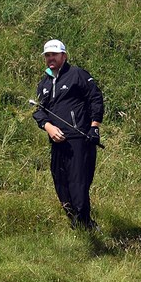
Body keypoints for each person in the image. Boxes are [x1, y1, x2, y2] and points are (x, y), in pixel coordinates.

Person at [33, 39, 104, 230]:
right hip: (57, 141)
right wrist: (48, 126)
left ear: (63, 56)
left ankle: (84, 224)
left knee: (78, 184)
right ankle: (79, 222)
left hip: (79, 139)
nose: (50, 59)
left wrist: (94, 126)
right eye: (47, 55)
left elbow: (96, 98)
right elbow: (38, 111)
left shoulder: (77, 75)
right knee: (61, 184)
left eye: (54, 55)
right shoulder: (45, 83)